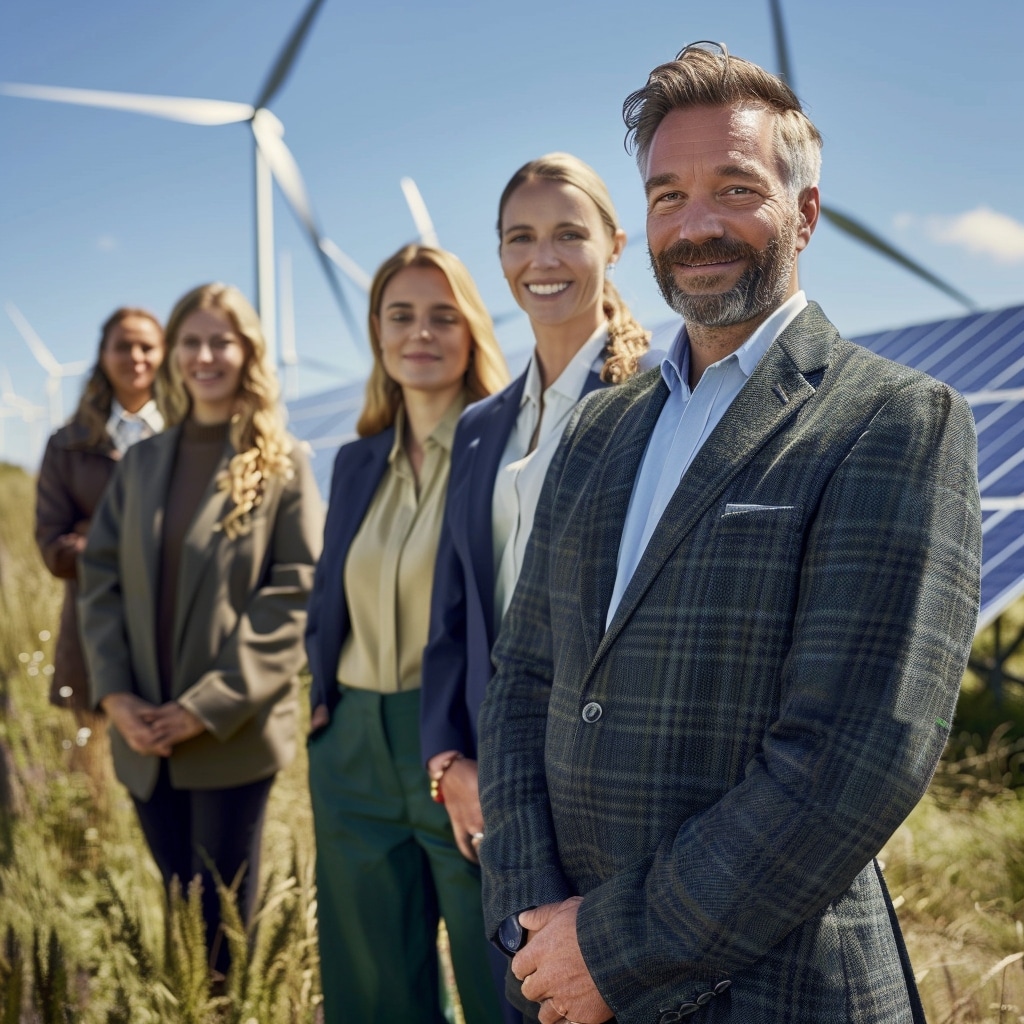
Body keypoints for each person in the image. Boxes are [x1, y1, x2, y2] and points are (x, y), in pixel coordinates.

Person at [477, 43, 982, 1024]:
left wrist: (610, 949)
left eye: (734, 187)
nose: (695, 223)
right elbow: (522, 679)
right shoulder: (599, 427)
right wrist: (530, 922)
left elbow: (852, 759)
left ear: (804, 212)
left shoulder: (892, 419)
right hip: (559, 978)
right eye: (666, 196)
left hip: (763, 986)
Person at [419, 156, 649, 985]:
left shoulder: (663, 399)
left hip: (616, 777)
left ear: (616, 246)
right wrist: (452, 764)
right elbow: (453, 613)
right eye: (520, 238)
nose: (541, 259)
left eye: (567, 235)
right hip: (495, 775)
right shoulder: (480, 425)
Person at [78, 282, 322, 976]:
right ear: (173, 353)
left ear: (248, 351)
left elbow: (293, 593)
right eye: (191, 340)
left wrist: (202, 708)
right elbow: (100, 582)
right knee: (176, 912)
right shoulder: (144, 463)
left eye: (222, 340)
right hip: (142, 740)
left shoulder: (283, 465)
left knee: (221, 932)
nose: (205, 355)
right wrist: (118, 697)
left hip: (230, 738)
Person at [305, 243, 510, 1024]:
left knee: (501, 981)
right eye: (401, 316)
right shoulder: (356, 462)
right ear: (377, 332)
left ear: (471, 332)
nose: (419, 334)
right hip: (351, 746)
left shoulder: (507, 450)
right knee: (371, 992)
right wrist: (322, 702)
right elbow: (330, 595)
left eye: (441, 316)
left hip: (461, 744)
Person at [34, 307, 164, 785]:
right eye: (122, 345)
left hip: (177, 622)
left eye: (147, 346)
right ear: (103, 356)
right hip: (94, 617)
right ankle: (98, 846)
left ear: (164, 355)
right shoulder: (66, 445)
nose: (135, 356)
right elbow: (53, 546)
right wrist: (125, 546)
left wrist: (94, 532)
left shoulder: (192, 435)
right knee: (94, 769)